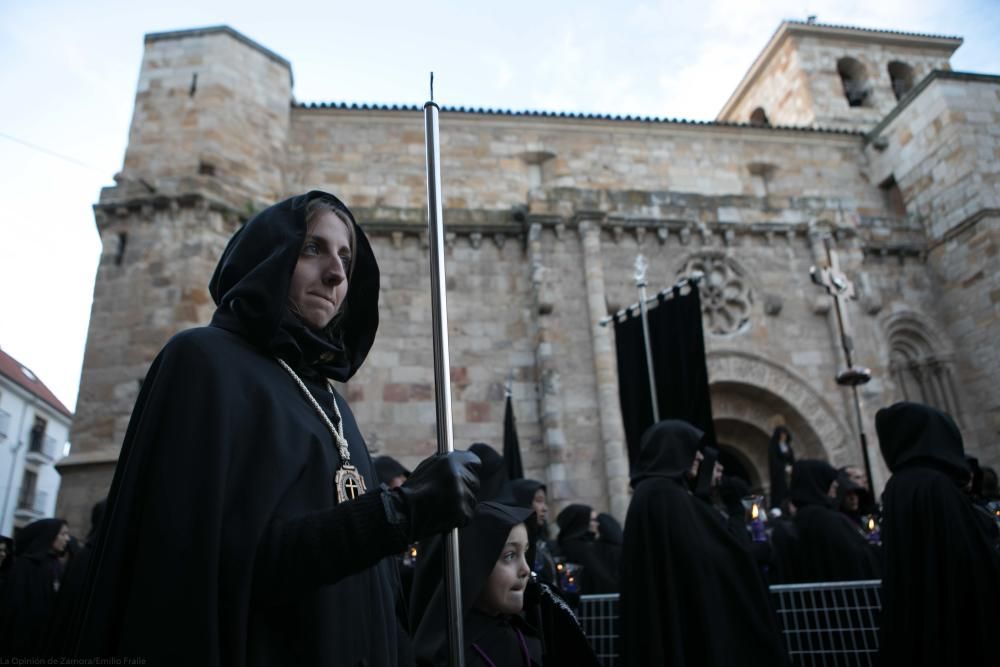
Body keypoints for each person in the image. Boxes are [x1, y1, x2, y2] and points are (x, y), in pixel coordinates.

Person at [70, 191, 481, 665]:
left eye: (346, 258)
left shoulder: (331, 404)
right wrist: (399, 513)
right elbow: (220, 567)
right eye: (313, 249)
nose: (337, 272)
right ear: (269, 255)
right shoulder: (205, 362)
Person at [619, 420, 786, 667]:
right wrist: (744, 555)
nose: (698, 456)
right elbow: (699, 554)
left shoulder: (668, 492)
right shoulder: (660, 494)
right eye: (692, 448)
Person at [876, 402, 1000, 665]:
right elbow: (966, 553)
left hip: (922, 615)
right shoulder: (934, 486)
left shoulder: (901, 485)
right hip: (958, 614)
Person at [412, 502, 599, 666]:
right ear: (472, 567)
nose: (526, 569)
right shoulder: (447, 653)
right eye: (509, 556)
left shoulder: (527, 632)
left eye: (525, 553)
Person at [780, 460, 880, 583]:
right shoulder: (832, 521)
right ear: (818, 484)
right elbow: (858, 558)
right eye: (830, 483)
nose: (835, 488)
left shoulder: (793, 523)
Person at [0, 518, 70, 656]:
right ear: (50, 534)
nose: (67, 539)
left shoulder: (57, 566)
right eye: (63, 534)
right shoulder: (25, 566)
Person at [555, 505, 617, 594]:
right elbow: (600, 577)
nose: (597, 524)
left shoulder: (584, 545)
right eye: (593, 520)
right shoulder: (577, 547)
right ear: (581, 522)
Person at [767, 426, 795, 510]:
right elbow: (774, 461)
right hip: (779, 474)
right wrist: (783, 468)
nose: (783, 436)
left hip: (789, 472)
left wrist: (792, 467)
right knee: (780, 491)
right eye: (782, 434)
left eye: (785, 434)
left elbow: (792, 459)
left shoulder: (788, 447)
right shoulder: (774, 446)